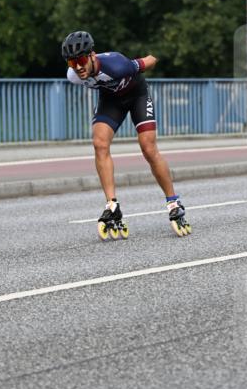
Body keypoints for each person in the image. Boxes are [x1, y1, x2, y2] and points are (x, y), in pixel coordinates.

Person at [61, 30, 191, 239]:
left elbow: (151, 60)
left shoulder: (117, 64)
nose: (78, 67)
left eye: (81, 60)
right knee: (99, 144)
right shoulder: (73, 76)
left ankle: (173, 202)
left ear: (92, 55)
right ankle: (112, 205)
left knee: (148, 148)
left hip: (137, 96)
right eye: (71, 62)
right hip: (111, 101)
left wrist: (161, 51)